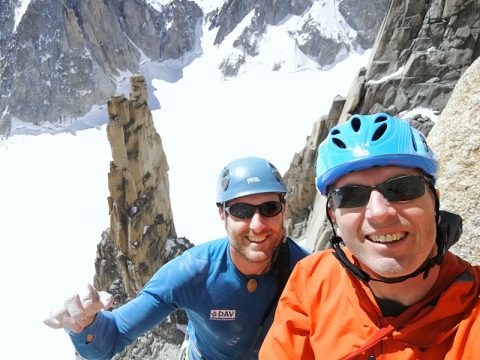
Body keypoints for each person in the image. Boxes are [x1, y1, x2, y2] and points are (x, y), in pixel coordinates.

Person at [259, 113, 480, 359]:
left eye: (403, 187)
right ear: (334, 219)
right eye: (351, 196)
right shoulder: (312, 280)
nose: (379, 213)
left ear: (435, 201)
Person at [44, 156, 310, 360]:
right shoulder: (193, 272)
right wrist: (85, 324)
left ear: (283, 210)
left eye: (269, 208)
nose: (257, 224)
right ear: (222, 215)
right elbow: (112, 337)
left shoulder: (308, 272)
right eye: (241, 210)